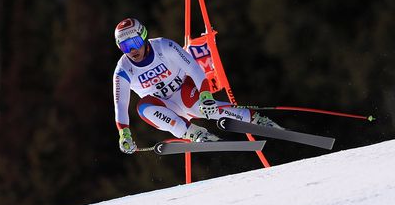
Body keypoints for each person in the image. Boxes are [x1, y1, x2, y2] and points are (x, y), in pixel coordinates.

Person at [113, 18, 281, 154]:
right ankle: (195, 133)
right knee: (143, 108)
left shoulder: (164, 47)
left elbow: (193, 67)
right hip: (165, 108)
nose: (132, 50)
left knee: (201, 107)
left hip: (184, 91)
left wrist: (205, 94)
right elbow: (120, 105)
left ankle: (255, 119)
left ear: (143, 36)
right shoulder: (123, 70)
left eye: (134, 42)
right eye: (125, 46)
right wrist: (124, 133)